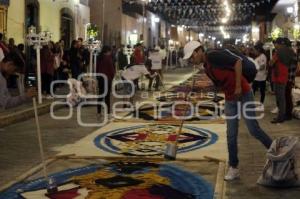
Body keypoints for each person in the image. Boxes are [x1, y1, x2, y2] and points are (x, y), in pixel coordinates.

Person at [183, 41, 272, 181]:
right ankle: (234, 167)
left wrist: (237, 87)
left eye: (191, 57)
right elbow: (219, 85)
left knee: (253, 129)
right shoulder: (207, 67)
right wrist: (202, 91)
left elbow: (237, 62)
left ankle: (276, 151)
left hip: (243, 93)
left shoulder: (213, 56)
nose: (191, 61)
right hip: (230, 99)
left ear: (197, 51)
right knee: (231, 133)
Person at [269, 38, 293, 123]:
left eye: (276, 43)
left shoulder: (278, 52)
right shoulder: (290, 52)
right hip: (284, 76)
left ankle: (280, 117)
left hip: (278, 77)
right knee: (283, 97)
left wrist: (271, 61)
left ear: (278, 44)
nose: (275, 45)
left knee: (280, 98)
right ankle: (282, 115)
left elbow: (271, 63)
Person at [96, 46, 116, 119]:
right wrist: (113, 76)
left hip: (100, 78)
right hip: (107, 79)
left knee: (100, 95)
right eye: (110, 51)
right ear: (107, 51)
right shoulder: (108, 58)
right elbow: (111, 69)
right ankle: (108, 113)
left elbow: (97, 68)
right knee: (107, 96)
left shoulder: (99, 57)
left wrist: (97, 77)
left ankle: (98, 112)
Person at [283, 38, 297, 121]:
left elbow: (290, 68)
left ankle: (288, 114)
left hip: (288, 78)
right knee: (287, 96)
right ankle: (288, 113)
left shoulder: (290, 53)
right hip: (289, 78)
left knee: (287, 97)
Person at [252, 43, 268, 110]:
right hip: (256, 77)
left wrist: (255, 69)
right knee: (253, 91)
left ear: (258, 50)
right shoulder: (259, 57)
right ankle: (252, 104)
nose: (254, 52)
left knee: (262, 91)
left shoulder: (262, 56)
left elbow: (263, 66)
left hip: (261, 78)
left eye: (254, 50)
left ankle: (261, 105)